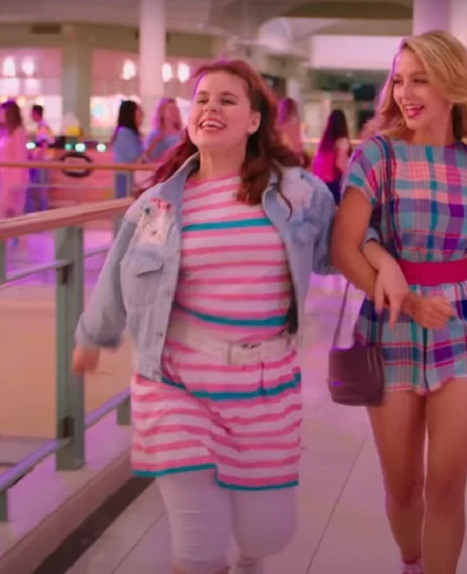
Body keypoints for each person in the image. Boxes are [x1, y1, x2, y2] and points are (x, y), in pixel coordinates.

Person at [71, 59, 345, 574]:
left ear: (254, 120)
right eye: (201, 99)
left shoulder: (298, 193)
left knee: (267, 533)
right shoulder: (158, 205)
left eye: (226, 99)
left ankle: (250, 557)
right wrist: (92, 335)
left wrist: (393, 265)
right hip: (177, 384)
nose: (210, 108)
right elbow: (116, 274)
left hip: (264, 388)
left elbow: (340, 252)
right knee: (198, 546)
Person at [332, 30, 467, 574]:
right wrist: (404, 300)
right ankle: (412, 562)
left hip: (462, 327)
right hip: (389, 327)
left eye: (420, 80)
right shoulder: (377, 155)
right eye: (399, 80)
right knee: (404, 487)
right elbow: (344, 248)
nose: (405, 92)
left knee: (448, 487)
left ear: (452, 84)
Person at [311, 108, 352, 204]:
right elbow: (340, 163)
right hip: (334, 184)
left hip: (320, 182)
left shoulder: (324, 142)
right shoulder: (342, 141)